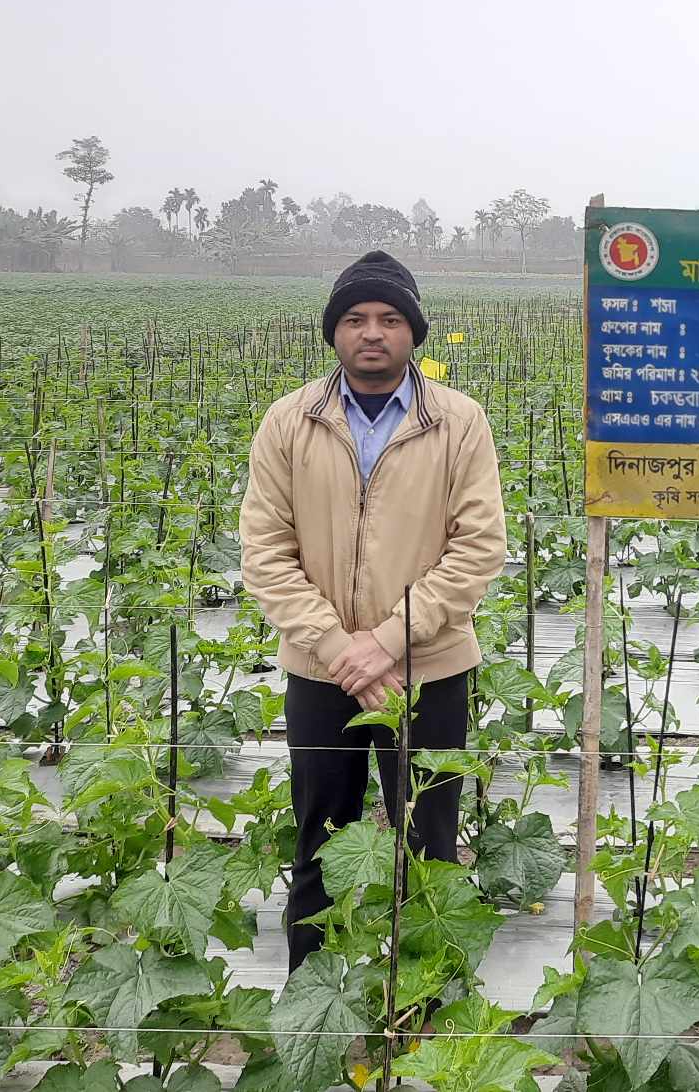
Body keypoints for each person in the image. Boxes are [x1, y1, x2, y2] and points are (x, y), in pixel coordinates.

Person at [240, 249, 507, 974]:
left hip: (429, 671)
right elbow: (265, 551)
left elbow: (478, 549)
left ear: (414, 333)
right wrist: (338, 650)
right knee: (322, 838)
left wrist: (386, 644)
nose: (372, 333)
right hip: (322, 674)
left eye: (390, 319)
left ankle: (423, 1005)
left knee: (431, 840)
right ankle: (314, 998)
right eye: (355, 318)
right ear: (333, 332)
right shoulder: (288, 422)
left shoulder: (459, 423)